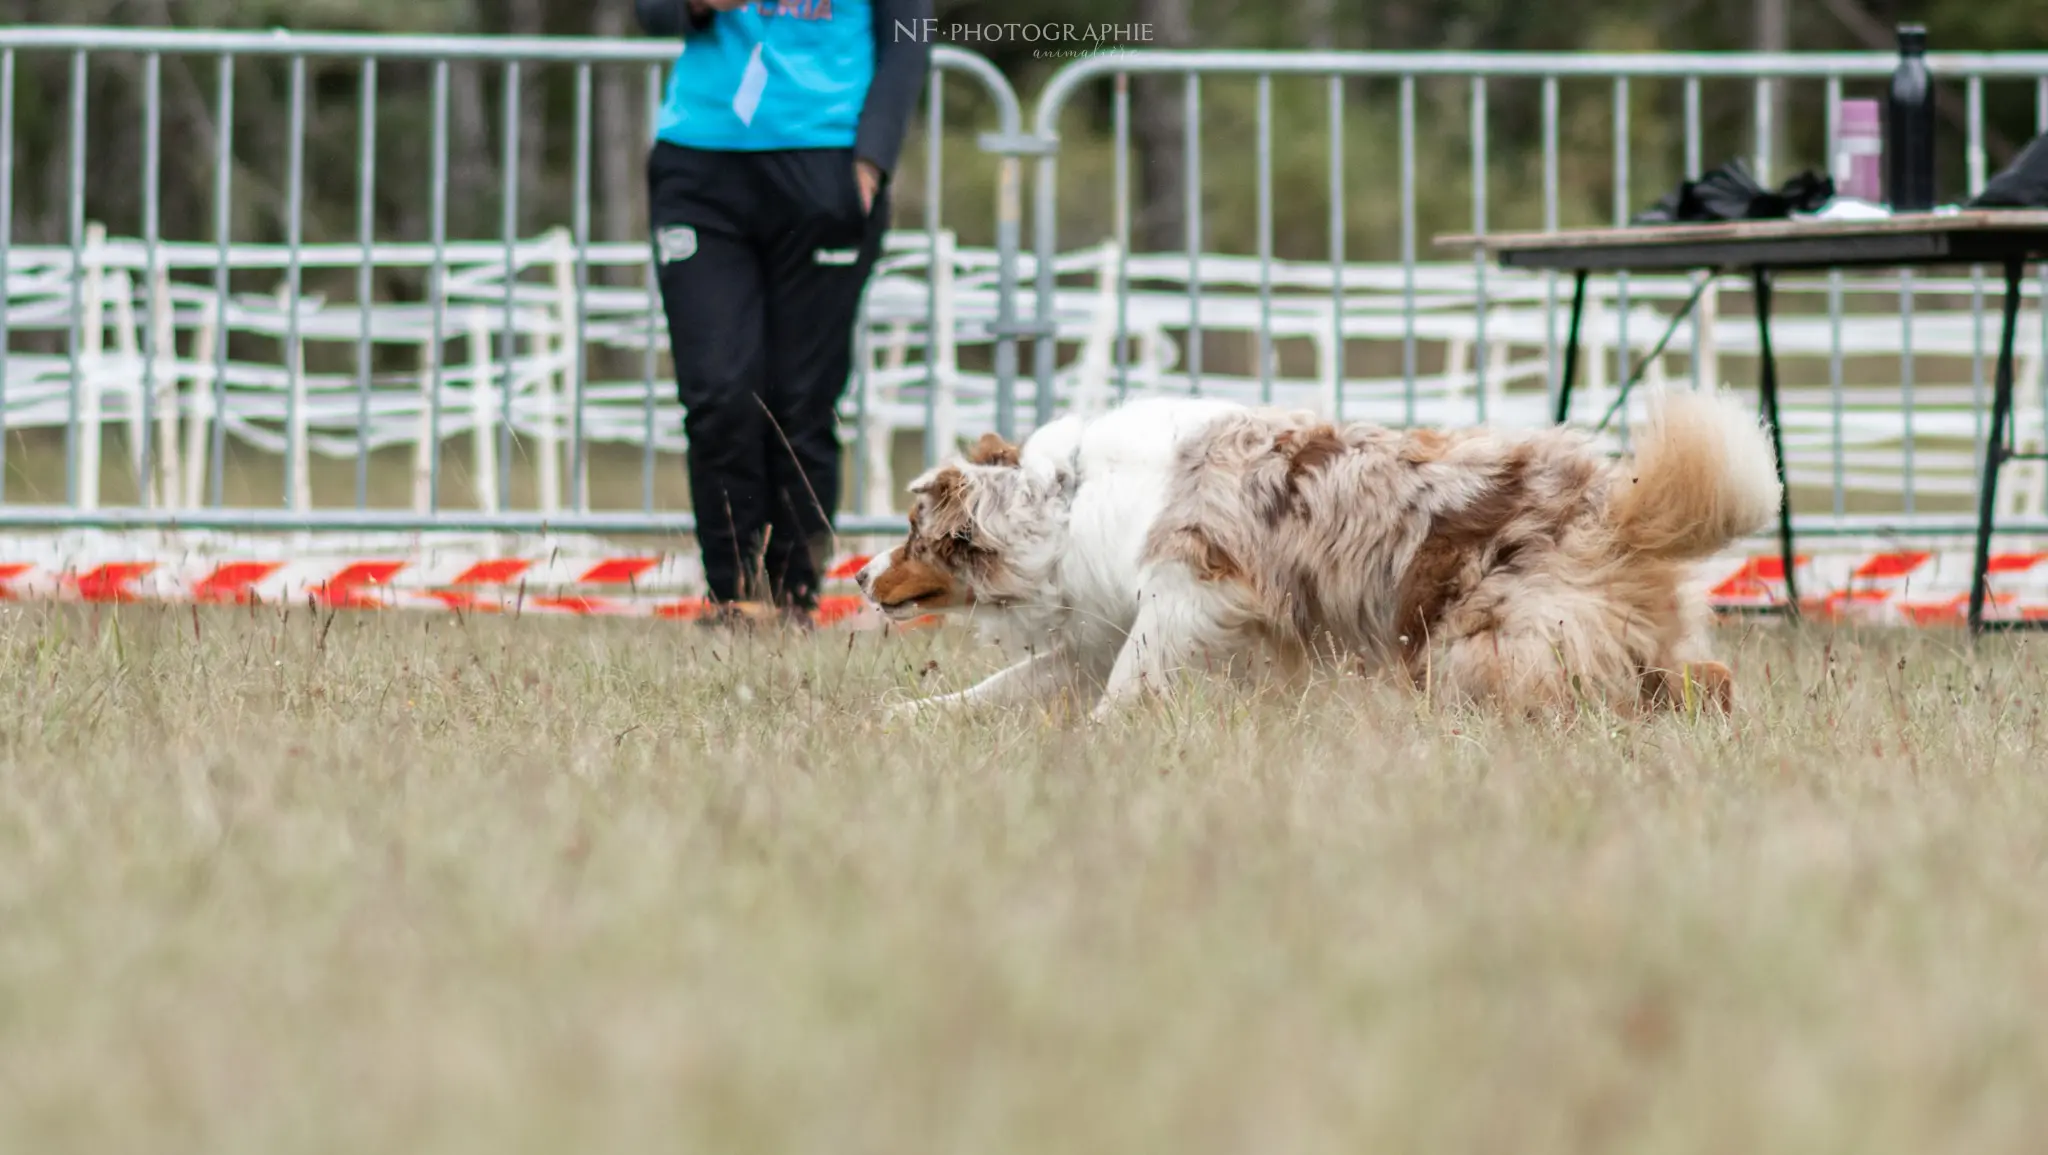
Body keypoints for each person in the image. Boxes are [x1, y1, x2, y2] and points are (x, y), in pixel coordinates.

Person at [634, 0, 932, 625]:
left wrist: (872, 160)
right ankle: (735, 595)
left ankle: (793, 597)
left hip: (825, 165)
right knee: (719, 391)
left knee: (800, 399)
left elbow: (907, 40)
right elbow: (650, 12)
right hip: (700, 163)